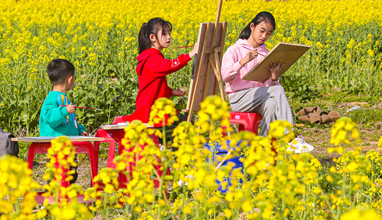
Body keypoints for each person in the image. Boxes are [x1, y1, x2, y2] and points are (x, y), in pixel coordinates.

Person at [221, 12, 313, 152]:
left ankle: (265, 150)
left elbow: (270, 91)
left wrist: (274, 78)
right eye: (262, 31)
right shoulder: (234, 50)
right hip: (238, 99)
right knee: (277, 91)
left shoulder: (266, 54)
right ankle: (290, 137)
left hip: (258, 100)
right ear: (252, 26)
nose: (264, 36)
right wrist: (242, 62)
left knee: (271, 104)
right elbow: (225, 77)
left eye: (269, 34)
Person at [123, 18, 199, 124]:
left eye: (169, 33)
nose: (169, 37)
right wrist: (191, 54)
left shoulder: (153, 57)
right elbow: (169, 66)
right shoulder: (151, 59)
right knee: (186, 129)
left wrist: (171, 91)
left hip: (157, 111)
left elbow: (154, 85)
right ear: (152, 37)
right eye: (164, 34)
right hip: (151, 113)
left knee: (187, 126)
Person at [39, 59, 87, 138]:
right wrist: (65, 111)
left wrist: (80, 130)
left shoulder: (64, 98)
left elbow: (69, 122)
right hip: (54, 144)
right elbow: (48, 117)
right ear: (70, 79)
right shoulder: (52, 98)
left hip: (66, 143)